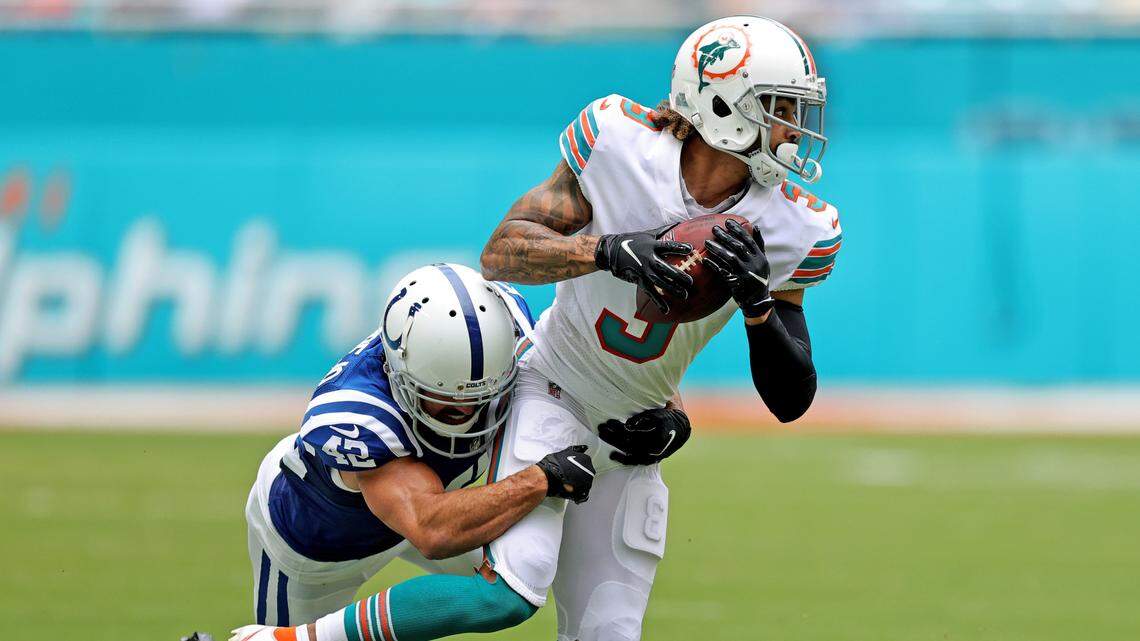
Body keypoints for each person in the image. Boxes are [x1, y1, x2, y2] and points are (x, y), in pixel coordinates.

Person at [232, 14, 840, 641]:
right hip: (549, 389)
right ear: (720, 104)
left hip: (634, 435)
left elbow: (791, 399)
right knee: (514, 586)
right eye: (778, 106)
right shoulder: (618, 142)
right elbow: (501, 253)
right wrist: (607, 251)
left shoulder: (800, 227)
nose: (792, 127)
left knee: (608, 633)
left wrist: (756, 303)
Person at [229, 263, 596, 641]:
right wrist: (540, 477)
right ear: (398, 371)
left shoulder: (507, 320)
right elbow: (432, 531)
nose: (467, 413)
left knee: (526, 573)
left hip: (427, 502)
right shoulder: (358, 416)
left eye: (482, 395)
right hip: (317, 542)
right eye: (447, 400)